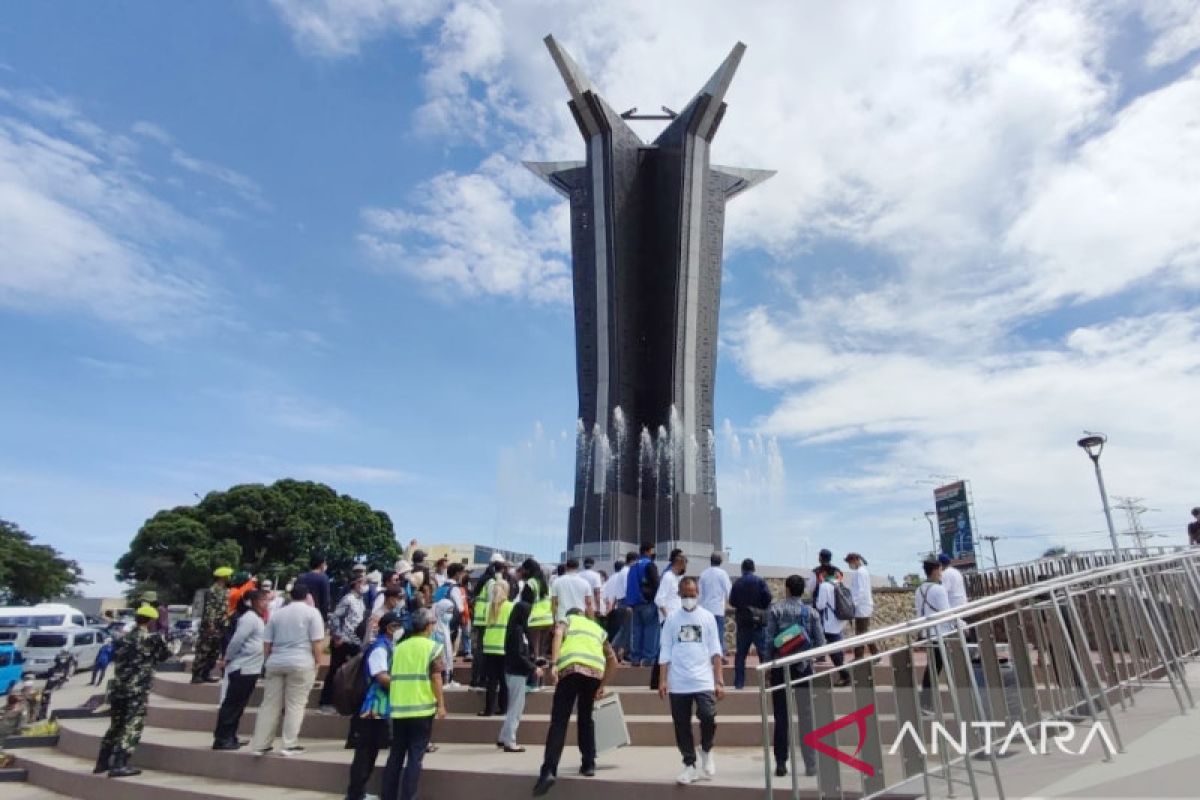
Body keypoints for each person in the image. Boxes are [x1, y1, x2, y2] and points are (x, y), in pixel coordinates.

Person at [532, 607, 619, 796]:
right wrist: (601, 685)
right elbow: (614, 662)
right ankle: (588, 764)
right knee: (585, 718)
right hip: (594, 672)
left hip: (571, 669)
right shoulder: (597, 628)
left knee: (559, 721)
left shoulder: (567, 620)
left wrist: (554, 664)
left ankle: (548, 770)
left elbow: (557, 634)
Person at [658, 576, 724, 785]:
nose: (689, 598)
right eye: (685, 595)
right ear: (679, 594)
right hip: (678, 680)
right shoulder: (672, 619)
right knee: (681, 724)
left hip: (703, 679)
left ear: (698, 594)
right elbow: (665, 649)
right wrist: (662, 679)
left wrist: (719, 680)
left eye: (692, 595)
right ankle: (689, 764)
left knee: (708, 716)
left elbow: (715, 650)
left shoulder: (707, 618)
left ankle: (706, 749)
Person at [249, 583, 325, 756]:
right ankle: (288, 744)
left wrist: (268, 660)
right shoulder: (312, 613)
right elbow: (317, 642)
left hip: (276, 661)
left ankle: (260, 744)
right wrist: (317, 663)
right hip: (301, 661)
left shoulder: (277, 614)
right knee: (295, 705)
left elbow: (267, 642)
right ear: (307, 596)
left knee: (269, 704)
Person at [95, 604, 170, 777]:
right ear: (151, 620)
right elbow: (164, 656)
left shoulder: (122, 638)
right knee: (132, 725)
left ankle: (102, 762)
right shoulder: (152, 639)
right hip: (137, 690)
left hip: (118, 688)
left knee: (115, 725)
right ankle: (119, 763)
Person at [380, 608, 447, 800]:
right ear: (427, 627)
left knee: (396, 755)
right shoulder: (433, 647)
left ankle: (388, 796)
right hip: (421, 707)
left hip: (399, 708)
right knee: (415, 758)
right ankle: (408, 796)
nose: (434, 626)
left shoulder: (399, 647)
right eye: (433, 623)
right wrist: (441, 705)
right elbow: (436, 678)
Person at [765, 574, 825, 778]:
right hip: (803, 668)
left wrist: (767, 665)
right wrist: (808, 656)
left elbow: (768, 641)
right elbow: (821, 643)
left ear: (787, 589)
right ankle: (811, 764)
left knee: (781, 716)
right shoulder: (811, 613)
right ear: (803, 591)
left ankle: (781, 763)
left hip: (780, 667)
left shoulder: (776, 609)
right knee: (807, 716)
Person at [345, 611, 406, 800]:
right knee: (365, 753)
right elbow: (381, 677)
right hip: (374, 708)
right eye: (397, 626)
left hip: (380, 707)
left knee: (370, 751)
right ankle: (356, 794)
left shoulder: (388, 645)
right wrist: (403, 683)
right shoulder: (380, 648)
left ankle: (358, 792)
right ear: (389, 628)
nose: (400, 630)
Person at [213, 589, 268, 749]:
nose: (266, 604)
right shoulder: (249, 618)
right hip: (242, 667)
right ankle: (222, 739)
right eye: (263, 600)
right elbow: (237, 640)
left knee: (238, 706)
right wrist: (227, 658)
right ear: (254, 601)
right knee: (232, 704)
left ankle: (231, 736)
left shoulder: (256, 619)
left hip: (250, 668)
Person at [499, 590, 542, 752]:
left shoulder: (516, 629)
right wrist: (533, 667)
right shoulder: (518, 632)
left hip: (514, 670)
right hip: (517, 672)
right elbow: (518, 654)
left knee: (514, 706)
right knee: (516, 708)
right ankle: (510, 740)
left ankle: (504, 737)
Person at [320, 576, 367, 713]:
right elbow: (335, 617)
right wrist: (337, 636)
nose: (365, 586)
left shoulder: (361, 601)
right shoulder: (348, 599)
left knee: (351, 673)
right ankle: (326, 701)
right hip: (343, 641)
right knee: (335, 670)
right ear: (356, 584)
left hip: (354, 641)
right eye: (362, 582)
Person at [915, 559, 953, 713]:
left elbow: (919, 612)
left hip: (927, 632)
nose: (941, 574)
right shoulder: (939, 589)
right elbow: (946, 613)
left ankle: (926, 701)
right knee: (935, 668)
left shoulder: (919, 590)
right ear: (936, 570)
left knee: (933, 666)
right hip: (941, 632)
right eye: (940, 570)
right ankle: (926, 702)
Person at [729, 558, 771, 690]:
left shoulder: (737, 583)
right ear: (753, 568)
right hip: (758, 623)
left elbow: (732, 601)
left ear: (742, 569)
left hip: (743, 622)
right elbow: (768, 598)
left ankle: (739, 683)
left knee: (741, 655)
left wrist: (743, 607)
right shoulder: (760, 581)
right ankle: (766, 681)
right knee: (763, 654)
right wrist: (760, 608)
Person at [192, 566, 232, 684]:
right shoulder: (212, 591)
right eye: (228, 576)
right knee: (203, 650)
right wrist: (210, 624)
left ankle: (206, 673)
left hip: (220, 625)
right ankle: (196, 675)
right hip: (210, 625)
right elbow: (210, 609)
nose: (230, 578)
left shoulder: (225, 590)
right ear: (223, 577)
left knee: (214, 651)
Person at [479, 578, 512, 717]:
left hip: (489, 648)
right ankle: (503, 708)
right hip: (504, 647)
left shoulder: (488, 607)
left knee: (491, 681)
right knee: (504, 680)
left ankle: (488, 710)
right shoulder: (511, 606)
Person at [625, 543, 660, 667]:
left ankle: (635, 658)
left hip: (635, 604)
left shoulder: (632, 566)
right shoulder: (649, 565)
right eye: (652, 551)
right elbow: (656, 584)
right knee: (651, 631)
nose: (653, 553)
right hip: (648, 603)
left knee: (637, 632)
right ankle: (648, 659)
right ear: (647, 551)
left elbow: (629, 586)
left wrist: (629, 603)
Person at [813, 566, 850, 686]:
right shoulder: (838, 583)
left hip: (829, 622)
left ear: (823, 573)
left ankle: (845, 675)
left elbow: (820, 605)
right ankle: (843, 673)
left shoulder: (824, 586)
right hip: (840, 619)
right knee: (836, 646)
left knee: (833, 649)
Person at [698, 552, 732, 657]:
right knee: (718, 634)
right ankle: (719, 655)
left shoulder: (703, 574)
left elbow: (699, 593)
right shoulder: (722, 574)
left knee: (706, 633)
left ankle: (706, 654)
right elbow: (729, 590)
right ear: (720, 562)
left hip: (705, 608)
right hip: (718, 608)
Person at [845, 553, 878, 659]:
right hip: (862, 606)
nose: (849, 565)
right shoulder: (860, 572)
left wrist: (853, 603)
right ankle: (875, 655)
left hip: (862, 607)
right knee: (864, 633)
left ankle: (859, 657)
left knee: (861, 634)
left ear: (855, 560)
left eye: (849, 562)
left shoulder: (860, 572)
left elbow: (861, 591)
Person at [602, 553, 635, 657]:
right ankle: (619, 651)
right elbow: (627, 588)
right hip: (625, 602)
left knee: (622, 630)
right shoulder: (627, 572)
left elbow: (608, 594)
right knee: (627, 630)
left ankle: (613, 650)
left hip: (616, 605)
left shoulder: (614, 576)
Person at [550, 559, 593, 623]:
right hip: (580, 617)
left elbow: (554, 603)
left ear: (566, 567)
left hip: (562, 618)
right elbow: (589, 603)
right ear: (578, 567)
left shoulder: (557, 582)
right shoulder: (585, 583)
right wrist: (591, 620)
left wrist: (553, 620)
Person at [296, 553, 333, 622]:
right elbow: (325, 601)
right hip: (315, 615)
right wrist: (324, 618)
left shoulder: (301, 577)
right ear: (321, 564)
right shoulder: (323, 578)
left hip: (299, 614)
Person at [655, 553, 687, 623]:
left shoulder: (680, 577)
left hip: (680, 617)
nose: (685, 568)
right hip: (670, 618)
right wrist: (667, 617)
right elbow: (659, 599)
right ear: (678, 564)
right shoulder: (668, 577)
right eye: (684, 566)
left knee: (689, 633)